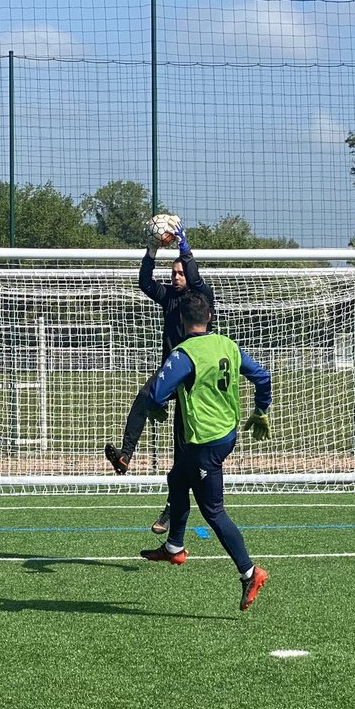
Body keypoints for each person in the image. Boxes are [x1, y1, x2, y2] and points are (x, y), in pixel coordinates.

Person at [135, 290, 273, 611]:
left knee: (213, 510)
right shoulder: (228, 345)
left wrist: (156, 409)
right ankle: (174, 546)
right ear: (209, 317)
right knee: (176, 479)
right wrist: (261, 410)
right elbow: (262, 377)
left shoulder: (184, 354)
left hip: (205, 443)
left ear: (182, 321)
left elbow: (155, 394)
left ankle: (249, 572)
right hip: (226, 433)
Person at [104, 214, 215, 537]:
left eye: (180, 272)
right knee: (144, 398)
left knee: (183, 451)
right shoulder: (169, 298)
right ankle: (125, 456)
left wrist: (184, 247)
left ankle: (171, 508)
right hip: (171, 371)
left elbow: (194, 278)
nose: (177, 276)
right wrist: (151, 252)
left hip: (195, 378)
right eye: (174, 272)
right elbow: (144, 283)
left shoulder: (201, 297)